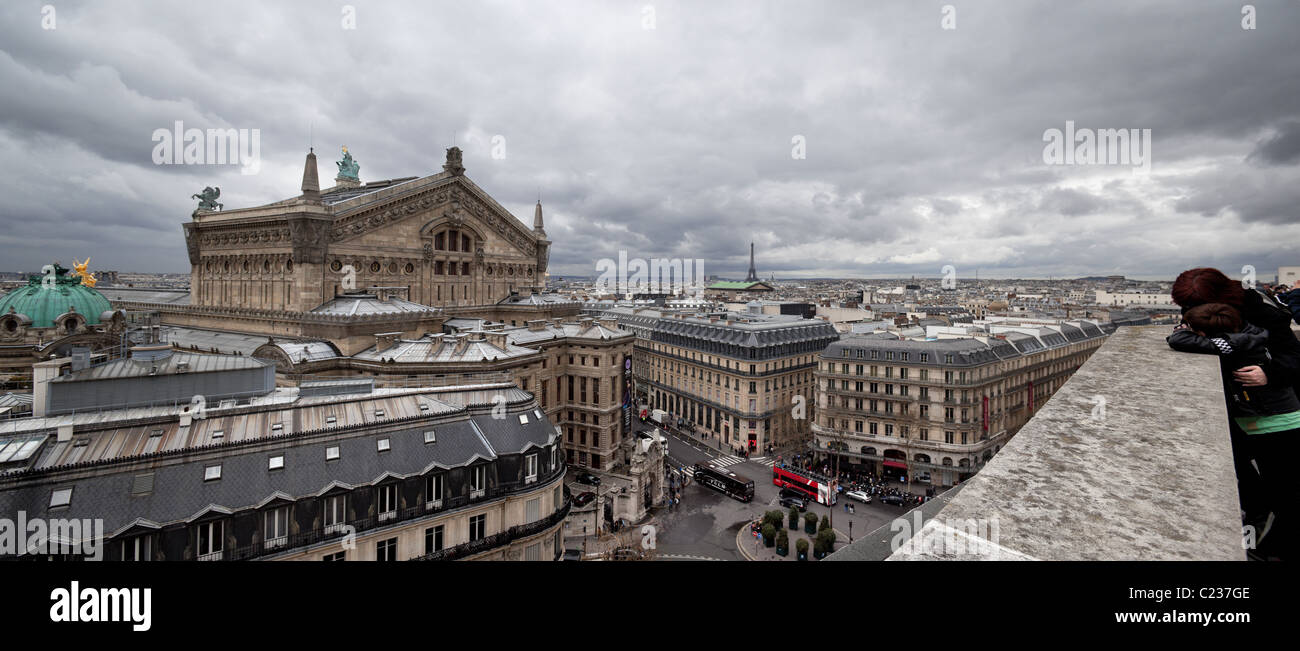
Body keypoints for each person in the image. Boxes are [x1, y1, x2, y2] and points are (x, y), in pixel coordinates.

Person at [1169, 302, 1298, 559]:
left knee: (1284, 498)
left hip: (1273, 425)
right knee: (1274, 493)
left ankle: (1269, 551)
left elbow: (1179, 339)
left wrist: (1185, 330)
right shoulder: (1250, 333)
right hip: (1270, 421)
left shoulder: (1232, 345)